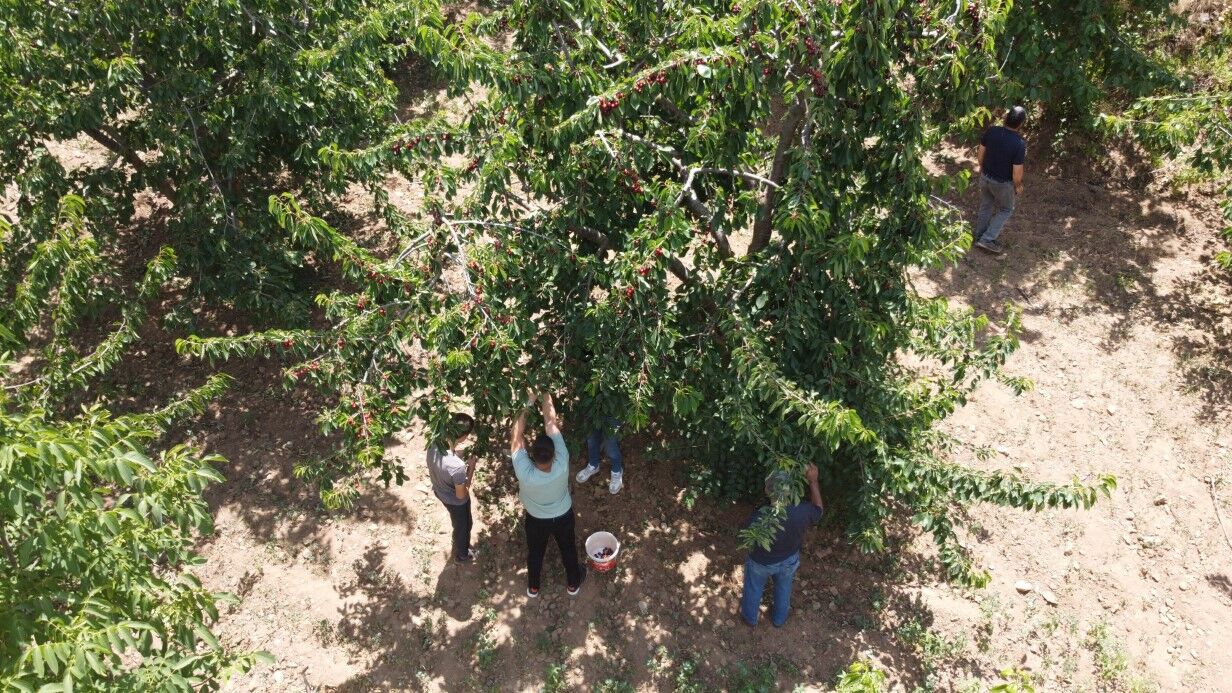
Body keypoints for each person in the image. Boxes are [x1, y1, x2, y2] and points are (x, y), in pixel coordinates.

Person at [510, 390, 585, 598]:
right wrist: (545, 395)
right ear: (554, 453)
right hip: (563, 516)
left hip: (536, 520)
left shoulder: (525, 472)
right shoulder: (562, 463)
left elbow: (516, 436)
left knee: (535, 552)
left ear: (531, 456)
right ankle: (573, 583)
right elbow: (550, 423)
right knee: (568, 549)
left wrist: (527, 402)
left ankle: (533, 587)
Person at [739, 464, 824, 628]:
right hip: (789, 560)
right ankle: (779, 619)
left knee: (753, 588)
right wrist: (813, 482)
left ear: (766, 490)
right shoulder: (802, 511)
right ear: (790, 491)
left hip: (760, 562)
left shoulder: (758, 518)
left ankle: (750, 619)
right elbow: (818, 510)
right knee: (783, 588)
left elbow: (745, 538)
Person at [973, 105, 1028, 255]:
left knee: (986, 205)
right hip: (1003, 183)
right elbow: (1017, 172)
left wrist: (983, 169)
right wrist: (1018, 186)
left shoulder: (992, 131)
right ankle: (987, 238)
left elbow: (980, 154)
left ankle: (979, 236)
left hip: (985, 177)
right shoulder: (1019, 144)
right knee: (1006, 209)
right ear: (1021, 123)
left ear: (1006, 118)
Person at [426, 412, 478, 563]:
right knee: (464, 526)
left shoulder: (434, 442)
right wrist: (471, 467)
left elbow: (446, 460)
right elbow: (461, 495)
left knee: (458, 523)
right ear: (463, 437)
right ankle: (462, 554)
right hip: (456, 502)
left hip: (439, 491)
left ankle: (458, 535)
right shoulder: (457, 466)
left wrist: (458, 454)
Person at [575, 418, 624, 494]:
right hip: (592, 408)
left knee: (611, 445)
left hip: (613, 410)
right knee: (591, 437)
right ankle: (593, 465)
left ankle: (617, 470)